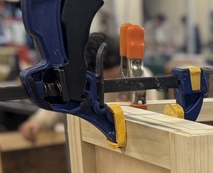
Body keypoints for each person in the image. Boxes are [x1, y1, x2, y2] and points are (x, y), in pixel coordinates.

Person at [19, 33, 155, 142]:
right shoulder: (84, 79)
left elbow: (148, 120)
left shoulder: (140, 77)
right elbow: (64, 105)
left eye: (110, 77)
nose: (105, 81)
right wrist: (37, 122)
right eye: (100, 78)